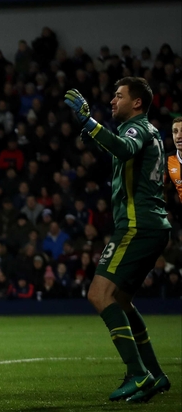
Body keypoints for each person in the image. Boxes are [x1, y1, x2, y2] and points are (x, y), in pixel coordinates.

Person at [65, 78, 171, 403]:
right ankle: (154, 373)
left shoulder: (136, 129)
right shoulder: (147, 131)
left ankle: (138, 373)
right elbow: (127, 157)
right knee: (122, 299)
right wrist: (98, 138)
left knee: (99, 294)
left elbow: (126, 149)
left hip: (137, 226)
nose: (112, 100)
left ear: (137, 103)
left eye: (119, 95)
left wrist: (89, 121)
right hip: (152, 225)